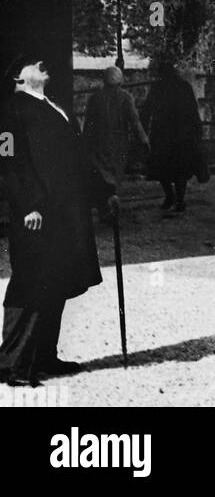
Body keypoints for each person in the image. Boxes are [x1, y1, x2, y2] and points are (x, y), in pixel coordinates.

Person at [0, 55, 103, 386]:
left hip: (65, 213)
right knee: (30, 282)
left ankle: (44, 357)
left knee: (55, 281)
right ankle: (12, 364)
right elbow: (9, 163)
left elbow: (79, 159)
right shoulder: (11, 111)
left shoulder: (57, 108)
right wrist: (29, 203)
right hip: (36, 215)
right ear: (18, 78)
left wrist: (105, 193)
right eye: (32, 63)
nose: (42, 63)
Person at [140, 59, 208, 214]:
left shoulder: (157, 87)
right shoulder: (184, 87)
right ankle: (179, 199)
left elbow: (146, 110)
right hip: (181, 134)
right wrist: (197, 131)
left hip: (162, 134)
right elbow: (193, 111)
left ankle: (170, 195)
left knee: (161, 167)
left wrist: (143, 129)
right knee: (180, 168)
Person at [82, 66, 149, 214]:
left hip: (98, 143)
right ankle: (111, 201)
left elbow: (88, 124)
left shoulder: (96, 98)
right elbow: (135, 121)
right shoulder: (125, 97)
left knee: (101, 174)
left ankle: (106, 205)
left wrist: (84, 143)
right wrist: (143, 140)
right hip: (118, 144)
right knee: (113, 174)